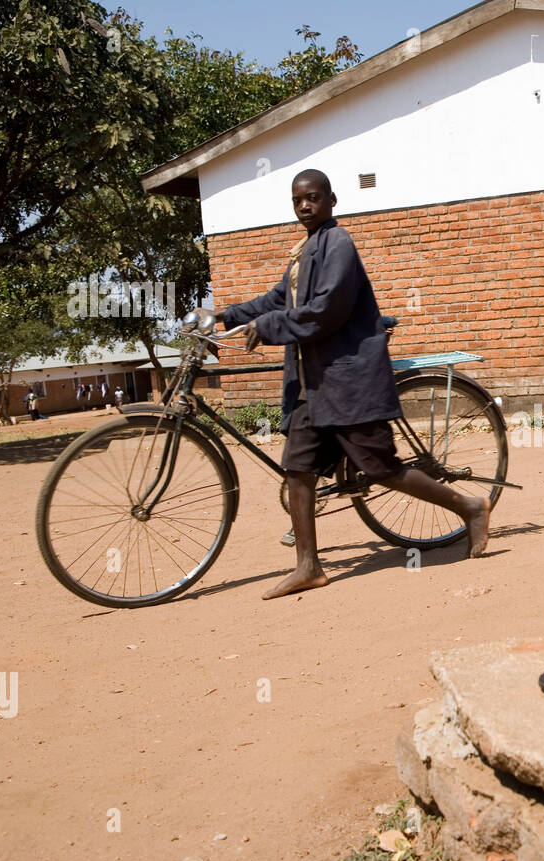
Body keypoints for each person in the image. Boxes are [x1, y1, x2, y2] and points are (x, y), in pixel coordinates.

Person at [195, 168, 491, 600]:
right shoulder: (304, 250)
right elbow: (279, 299)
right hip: (312, 382)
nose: (304, 206)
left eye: (313, 198)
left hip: (347, 375)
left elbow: (326, 310)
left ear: (332, 200)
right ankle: (309, 566)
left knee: (380, 467)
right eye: (297, 200)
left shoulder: (338, 244)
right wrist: (224, 315)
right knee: (297, 468)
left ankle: (469, 506)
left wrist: (270, 325)